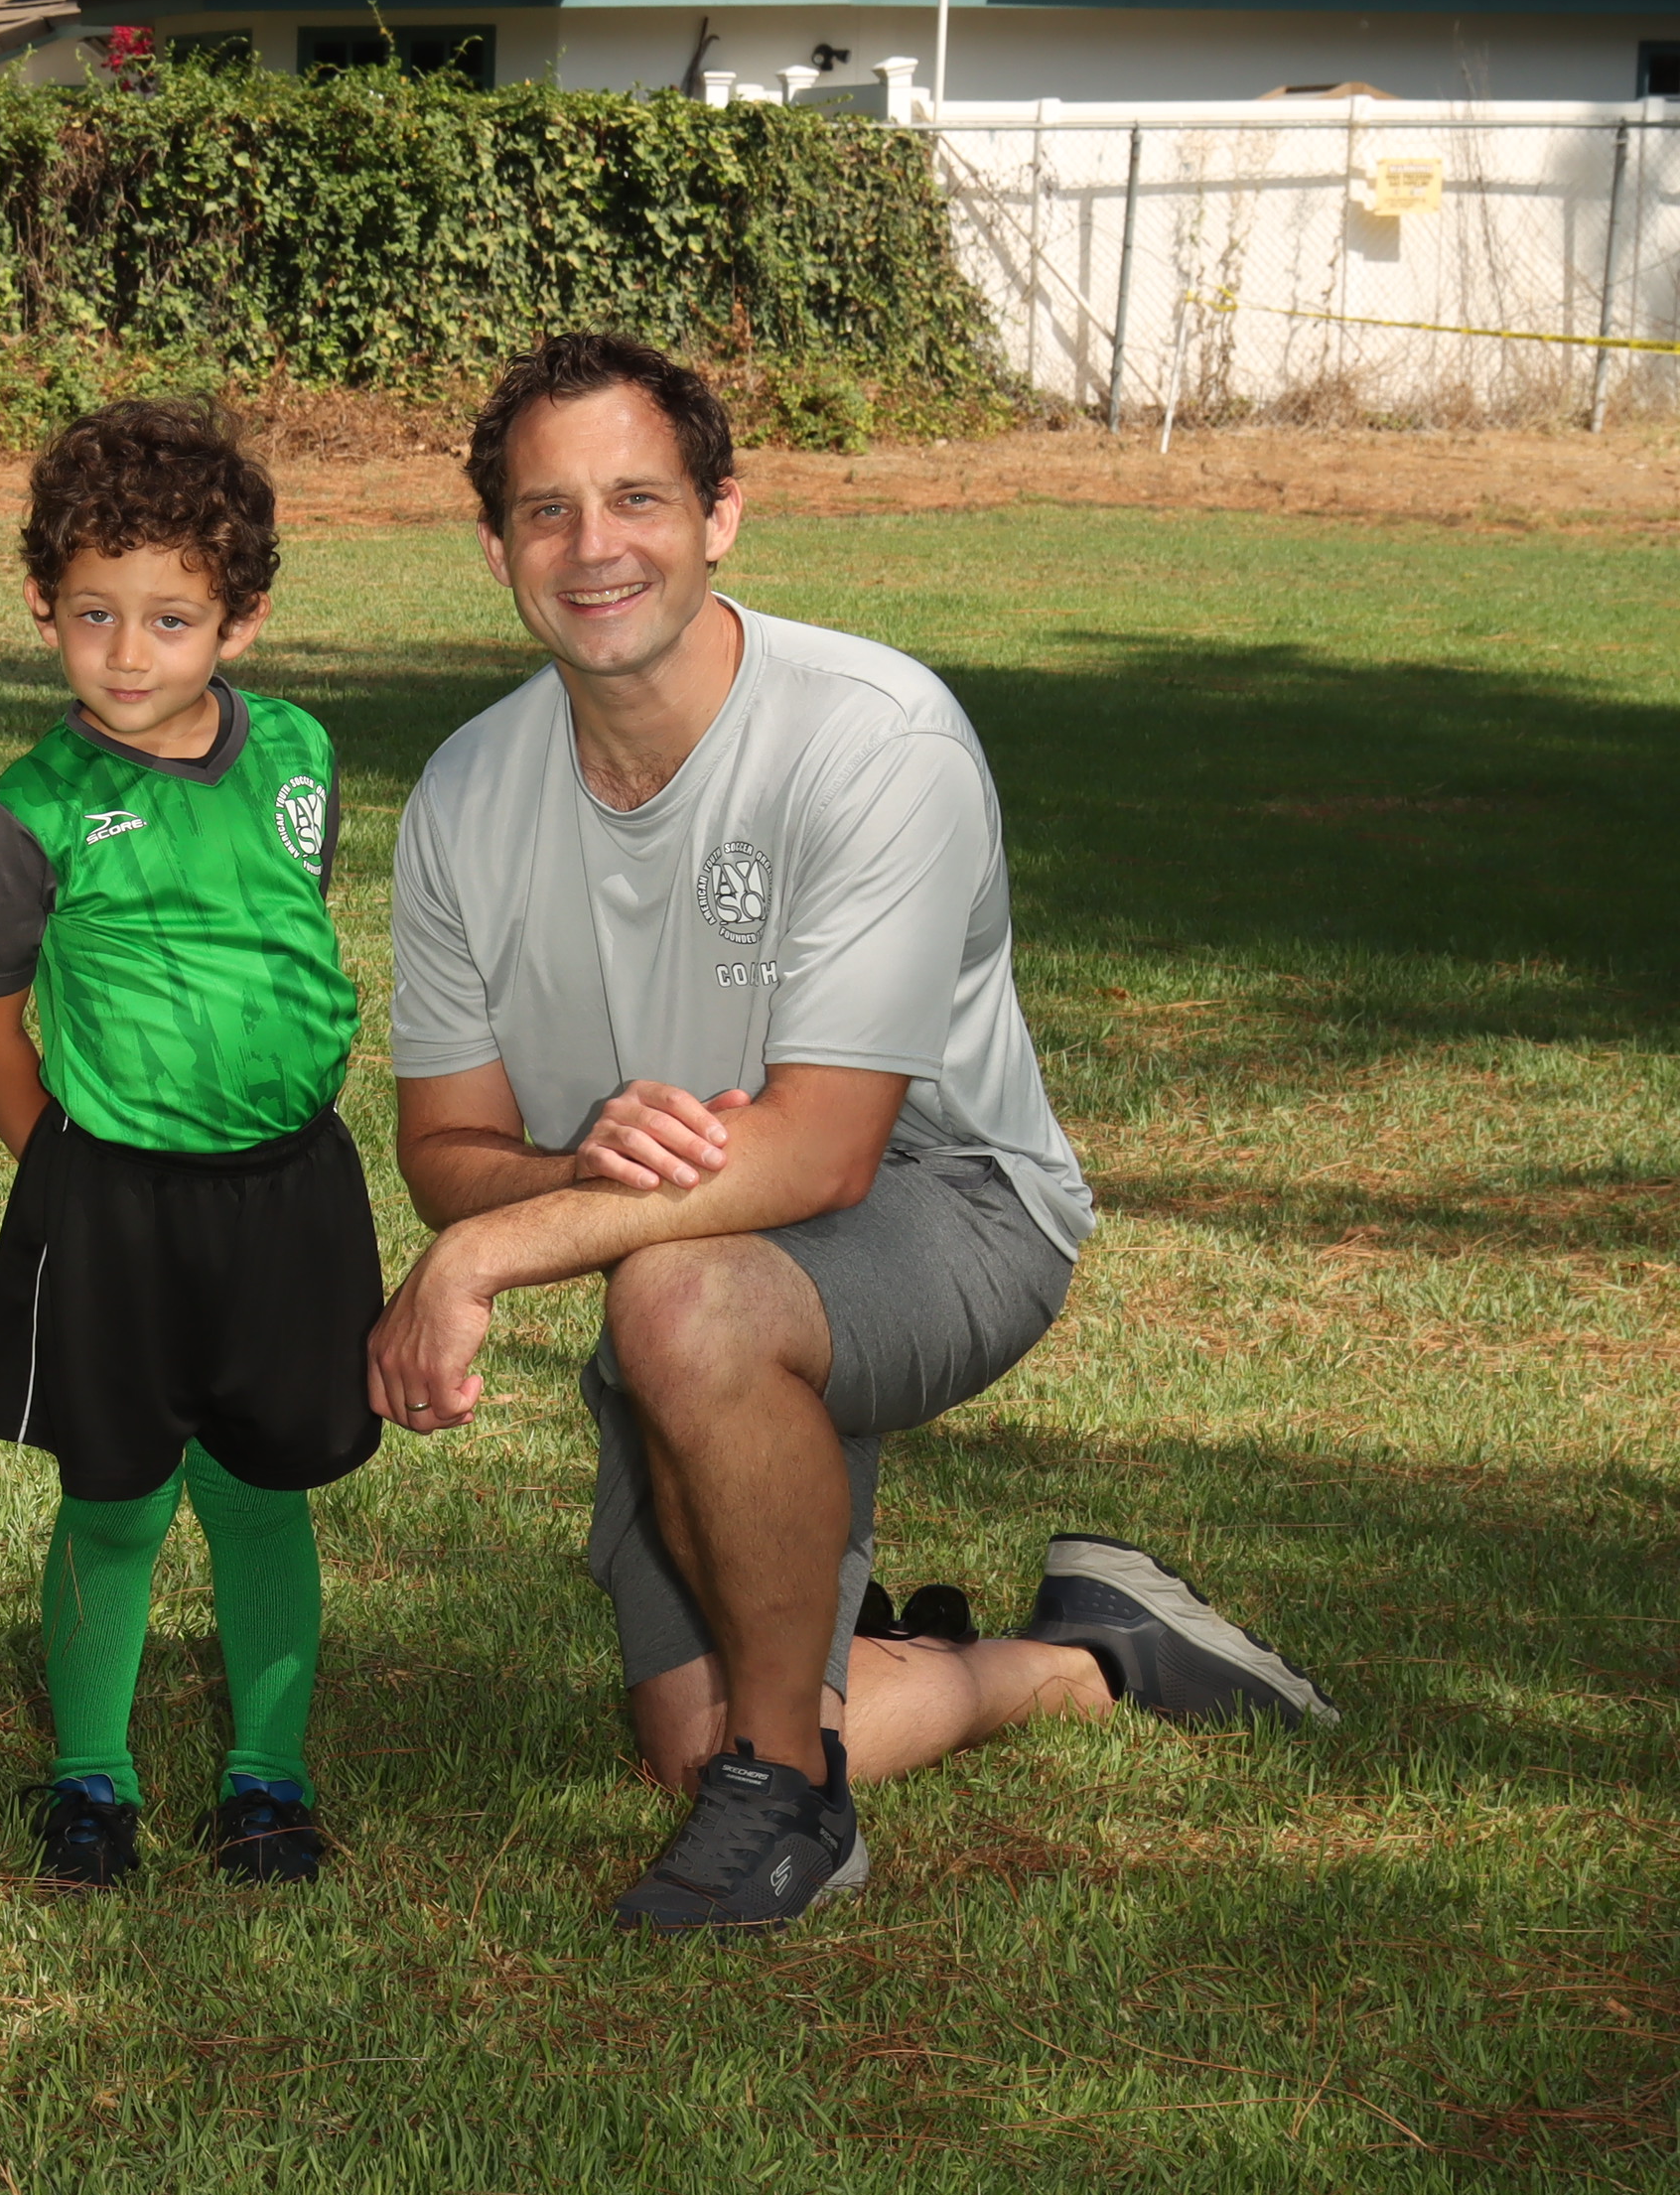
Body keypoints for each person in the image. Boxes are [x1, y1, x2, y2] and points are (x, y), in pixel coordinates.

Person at [371, 331, 1333, 1938]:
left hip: (948, 1199)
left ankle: (793, 1801)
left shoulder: (875, 737)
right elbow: (445, 1146)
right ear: (496, 548)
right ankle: (1092, 1652)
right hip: (692, 1237)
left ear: (722, 515)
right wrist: (571, 1171)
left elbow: (821, 1152)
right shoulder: (467, 796)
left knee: (679, 1302)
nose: (594, 547)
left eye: (638, 499)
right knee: (682, 1742)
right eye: (547, 511)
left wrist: (487, 1253)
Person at [0, 402, 385, 1891]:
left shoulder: (301, 754)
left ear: (241, 621)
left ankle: (269, 1781)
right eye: (94, 614)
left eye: (171, 619)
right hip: (116, 1205)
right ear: (44, 606)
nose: (127, 653)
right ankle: (90, 1782)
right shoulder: (27, 814)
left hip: (290, 1197)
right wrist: (64, 1175)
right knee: (119, 1494)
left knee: (262, 1488)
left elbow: (286, 924)